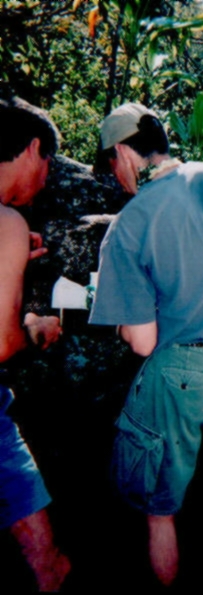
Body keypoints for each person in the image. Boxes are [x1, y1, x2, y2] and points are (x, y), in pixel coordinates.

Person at [90, 103, 203, 587]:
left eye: (110, 161)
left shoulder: (131, 223)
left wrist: (122, 319)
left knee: (159, 511)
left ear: (125, 152)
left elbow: (144, 342)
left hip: (180, 375)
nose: (114, 173)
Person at [0, 97, 71, 591]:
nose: (47, 178)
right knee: (49, 567)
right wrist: (34, 329)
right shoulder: (8, 222)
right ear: (31, 148)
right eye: (47, 162)